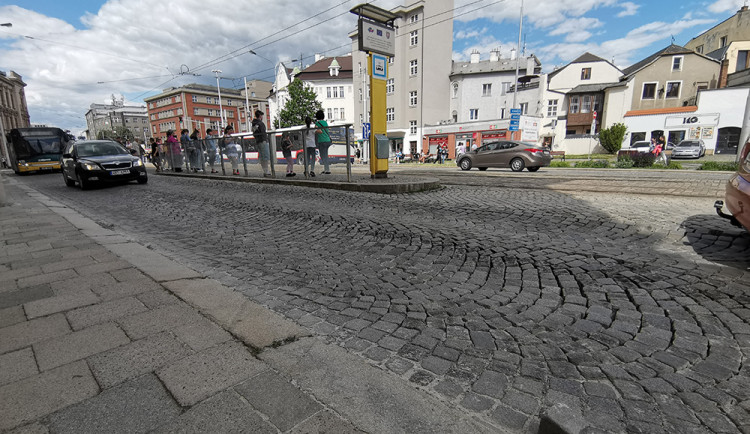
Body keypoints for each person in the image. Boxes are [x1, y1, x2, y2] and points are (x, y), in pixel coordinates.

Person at [251, 110, 271, 177]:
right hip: (262, 141)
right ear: (260, 116)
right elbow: (262, 132)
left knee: (262, 156)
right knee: (265, 156)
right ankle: (266, 171)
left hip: (258, 141)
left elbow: (254, 133)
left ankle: (265, 170)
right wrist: (265, 139)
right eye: (262, 115)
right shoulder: (260, 123)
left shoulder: (254, 124)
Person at [314, 109, 332, 174]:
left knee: (323, 155)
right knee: (326, 155)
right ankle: (327, 169)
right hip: (327, 140)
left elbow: (316, 131)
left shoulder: (317, 123)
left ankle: (327, 170)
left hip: (321, 141)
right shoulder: (325, 122)